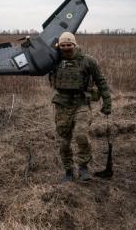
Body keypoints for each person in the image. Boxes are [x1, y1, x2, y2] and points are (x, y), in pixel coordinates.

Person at [49, 31, 112, 182]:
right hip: (62, 105)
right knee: (63, 142)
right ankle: (69, 171)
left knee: (81, 135)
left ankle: (83, 167)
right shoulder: (53, 60)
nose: (66, 48)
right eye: (63, 45)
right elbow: (34, 65)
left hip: (81, 104)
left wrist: (107, 102)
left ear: (74, 44)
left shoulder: (87, 61)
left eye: (69, 44)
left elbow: (101, 81)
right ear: (59, 46)